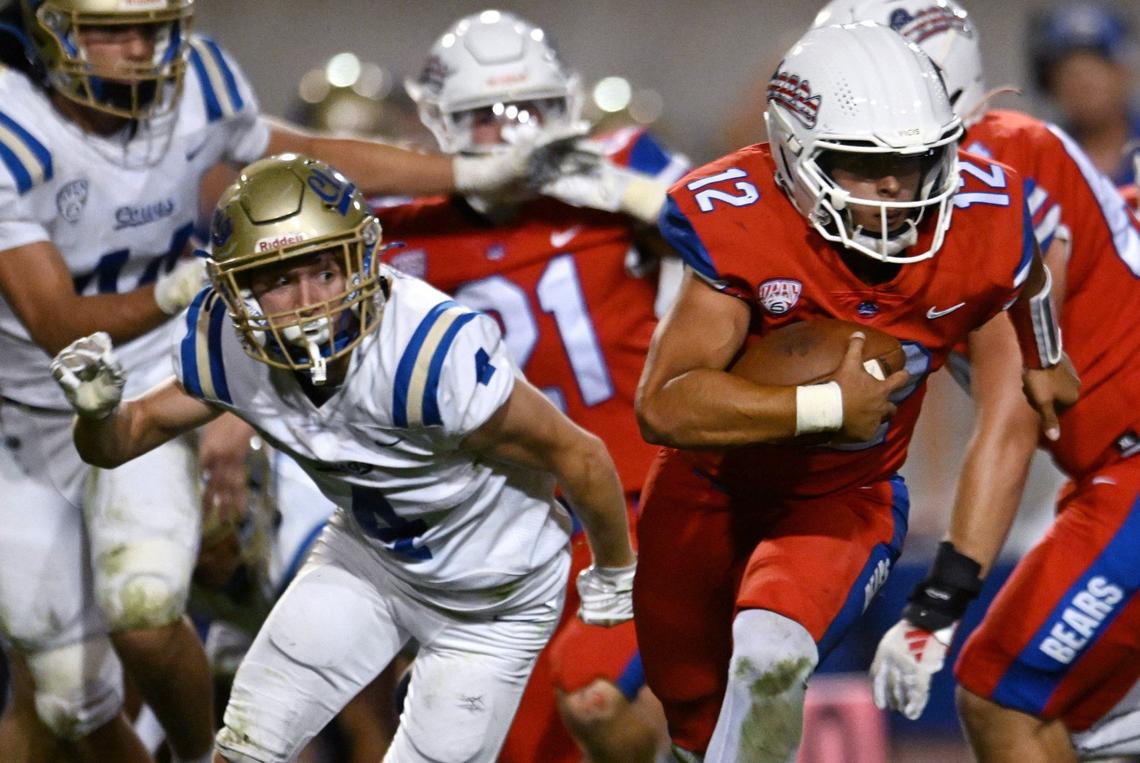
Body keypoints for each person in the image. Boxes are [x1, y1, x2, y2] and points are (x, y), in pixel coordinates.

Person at [0, 1, 558, 761]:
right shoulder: (13, 125)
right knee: (64, 691)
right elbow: (59, 324)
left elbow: (311, 163)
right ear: (45, 27)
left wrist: (465, 170)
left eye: (152, 24)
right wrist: (172, 298)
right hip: (20, 415)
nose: (137, 49)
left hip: (155, 374)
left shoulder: (196, 79)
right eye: (108, 28)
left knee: (143, 612)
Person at [47, 152, 637, 763]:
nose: (307, 302)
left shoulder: (428, 354)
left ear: (362, 260)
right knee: (245, 746)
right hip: (371, 560)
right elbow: (121, 442)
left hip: (492, 599)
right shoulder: (228, 346)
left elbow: (580, 455)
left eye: (324, 272)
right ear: (237, 289)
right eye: (277, 280)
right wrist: (94, 413)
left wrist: (616, 573)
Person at [630, 21, 1079, 762]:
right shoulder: (742, 214)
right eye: (865, 167)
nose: (898, 191)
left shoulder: (983, 212)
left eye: (914, 163)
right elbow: (665, 401)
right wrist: (827, 407)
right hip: (705, 490)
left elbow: (1025, 273)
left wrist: (1045, 355)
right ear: (794, 156)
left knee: (770, 654)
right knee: (692, 726)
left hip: (846, 495)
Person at [813, 2, 1140, 760]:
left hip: (1126, 470)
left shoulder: (996, 174)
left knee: (999, 692)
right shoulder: (927, 190)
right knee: (1059, 715)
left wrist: (939, 601)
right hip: (1103, 473)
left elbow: (1017, 401)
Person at [377, 9, 684, 761]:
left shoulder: (620, 163)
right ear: (441, 124)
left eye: (532, 111)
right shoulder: (398, 226)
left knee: (595, 693)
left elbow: (738, 241)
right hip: (498, 521)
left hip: (635, 491)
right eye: (484, 118)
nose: (512, 134)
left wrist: (629, 193)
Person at [1029, 1, 1140, 186]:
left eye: (1096, 67)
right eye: (1071, 72)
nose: (1085, 83)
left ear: (1123, 71)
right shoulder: (1040, 160)